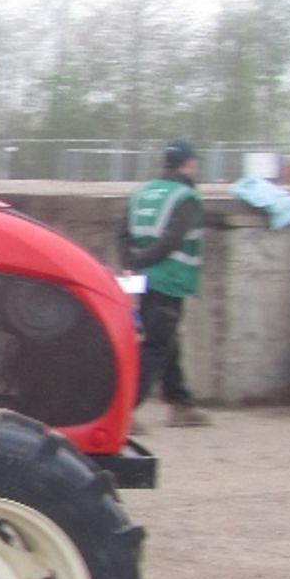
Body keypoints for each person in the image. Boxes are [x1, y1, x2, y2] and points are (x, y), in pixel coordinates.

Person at [121, 139, 212, 429]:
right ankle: (124, 410)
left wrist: (132, 262)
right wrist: (146, 261)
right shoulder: (185, 197)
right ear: (190, 163)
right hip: (169, 279)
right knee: (157, 345)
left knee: (167, 339)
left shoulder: (142, 193)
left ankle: (180, 403)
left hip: (141, 278)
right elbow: (173, 240)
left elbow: (122, 232)